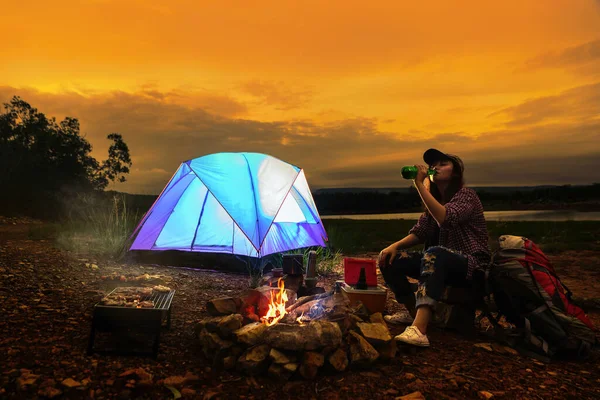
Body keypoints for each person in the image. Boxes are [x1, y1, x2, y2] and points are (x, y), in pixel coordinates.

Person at [377, 148, 490, 347]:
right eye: (432, 165)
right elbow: (420, 232)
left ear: (455, 173)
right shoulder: (435, 202)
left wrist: (419, 184)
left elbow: (446, 218)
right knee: (391, 259)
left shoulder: (466, 196)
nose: (435, 168)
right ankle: (413, 313)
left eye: (442, 164)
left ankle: (419, 330)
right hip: (440, 262)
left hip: (472, 265)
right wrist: (392, 247)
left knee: (434, 253)